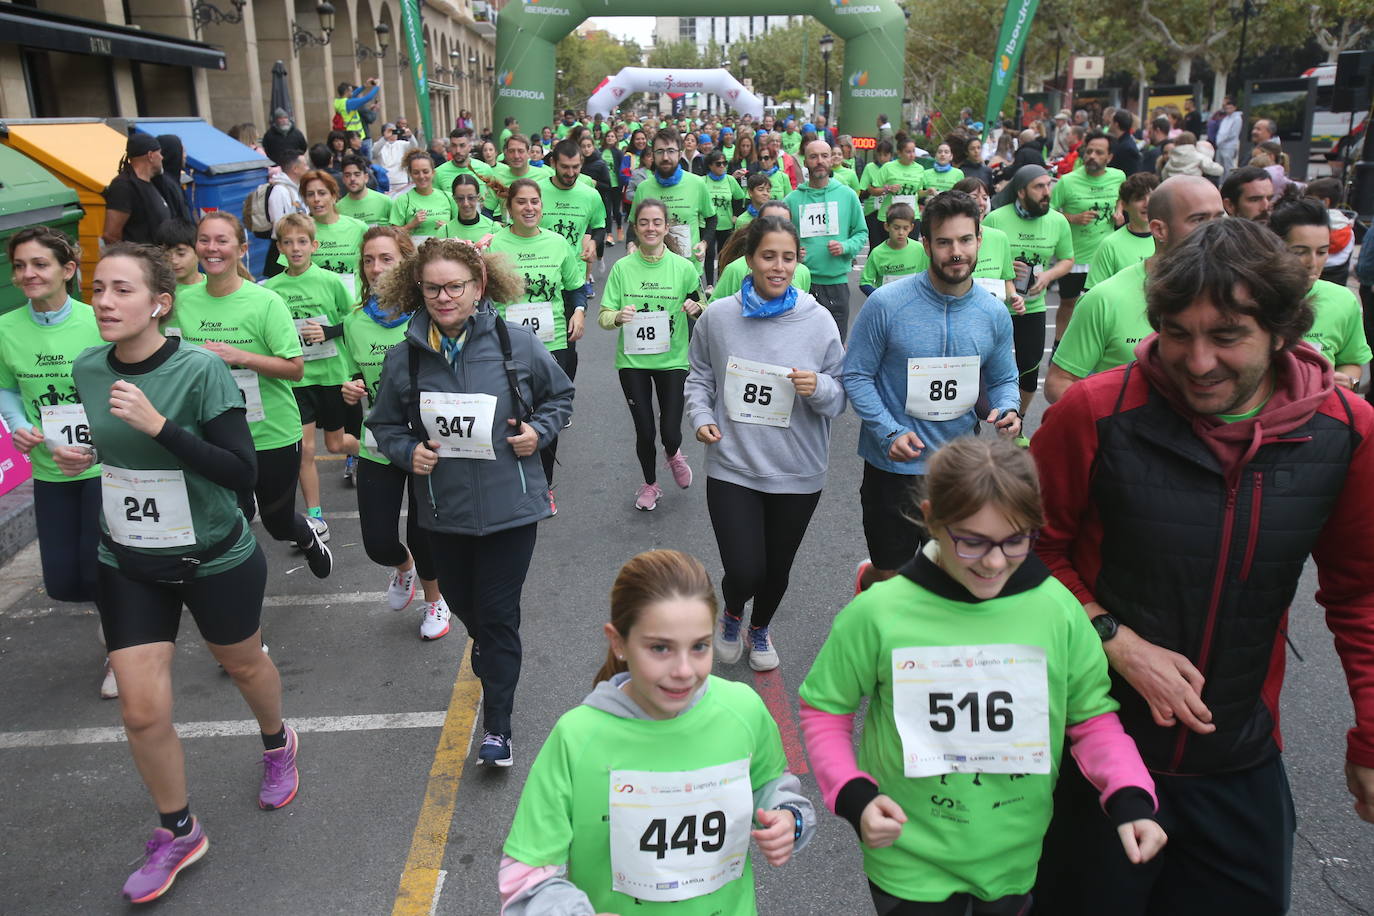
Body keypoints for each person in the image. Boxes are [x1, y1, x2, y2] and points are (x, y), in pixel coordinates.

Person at [1030, 217, 1374, 915]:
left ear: (1282, 331)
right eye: (1178, 333)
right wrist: (1114, 639)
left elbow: (1362, 594)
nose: (1196, 360)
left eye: (1226, 336)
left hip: (1239, 761)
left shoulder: (1347, 431)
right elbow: (1025, 555)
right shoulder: (1096, 411)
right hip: (1095, 753)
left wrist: (1371, 732)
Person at [800, 435, 1165, 915]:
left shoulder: (1058, 610)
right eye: (971, 542)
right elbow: (825, 709)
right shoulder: (879, 613)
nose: (994, 562)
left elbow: (1091, 718)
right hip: (908, 853)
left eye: (1016, 540)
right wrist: (854, 794)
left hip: (1013, 852)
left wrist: (1131, 795)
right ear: (932, 519)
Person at [63, 243, 297, 903]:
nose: (104, 301)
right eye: (98, 288)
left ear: (159, 303)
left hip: (212, 554)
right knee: (140, 711)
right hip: (128, 558)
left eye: (120, 290)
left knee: (246, 665)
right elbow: (112, 447)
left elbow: (240, 473)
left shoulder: (200, 373)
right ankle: (179, 828)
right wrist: (80, 455)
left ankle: (278, 742)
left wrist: (162, 426)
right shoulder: (87, 368)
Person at [499, 549, 815, 913]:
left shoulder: (743, 710)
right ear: (618, 642)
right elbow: (524, 877)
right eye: (660, 648)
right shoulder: (577, 738)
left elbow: (771, 784)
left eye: (699, 647)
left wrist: (788, 817)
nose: (683, 670)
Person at [366, 237, 574, 766]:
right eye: (433, 288)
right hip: (444, 514)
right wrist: (406, 450)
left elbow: (560, 395)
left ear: (479, 287)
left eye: (455, 286)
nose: (444, 297)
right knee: (470, 611)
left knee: (499, 618)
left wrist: (538, 432)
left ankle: (498, 729)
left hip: (511, 509)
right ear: (418, 289)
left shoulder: (515, 345)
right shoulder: (404, 359)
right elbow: (383, 424)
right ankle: (494, 657)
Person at [686, 214, 845, 671]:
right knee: (744, 568)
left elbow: (840, 395)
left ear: (799, 261)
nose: (778, 266)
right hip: (733, 463)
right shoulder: (719, 317)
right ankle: (733, 612)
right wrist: (699, 416)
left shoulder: (818, 322)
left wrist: (821, 389)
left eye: (788, 258)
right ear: (750, 259)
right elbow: (700, 376)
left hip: (798, 468)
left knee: (777, 568)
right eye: (768, 256)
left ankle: (760, 628)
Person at [844, 191, 1022, 593]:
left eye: (965, 240)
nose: (956, 252)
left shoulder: (993, 312)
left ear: (979, 240)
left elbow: (1003, 378)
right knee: (892, 578)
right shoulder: (887, 304)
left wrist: (1009, 407)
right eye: (944, 242)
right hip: (893, 470)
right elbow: (855, 375)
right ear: (926, 244)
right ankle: (869, 577)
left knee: (949, 580)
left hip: (958, 470)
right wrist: (888, 431)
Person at [172, 213, 332, 578]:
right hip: (215, 434)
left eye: (222, 241)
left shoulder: (266, 302)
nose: (212, 249)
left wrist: (239, 356)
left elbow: (295, 368)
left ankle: (305, 534)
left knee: (276, 522)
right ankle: (241, 594)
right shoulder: (182, 303)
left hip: (271, 431)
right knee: (234, 518)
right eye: (205, 240)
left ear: (242, 249)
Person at [1, 228, 113, 697]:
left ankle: (121, 649)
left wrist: (101, 443)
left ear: (68, 270)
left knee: (101, 569)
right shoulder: (6, 328)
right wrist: (16, 423)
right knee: (64, 581)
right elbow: (7, 386)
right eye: (20, 265)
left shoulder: (99, 322)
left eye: (40, 264)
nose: (29, 274)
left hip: (104, 469)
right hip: (49, 469)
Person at [340, 226, 451, 637]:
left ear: (406, 262)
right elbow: (352, 372)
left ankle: (435, 602)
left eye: (386, 258)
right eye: (369, 259)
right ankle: (402, 569)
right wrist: (349, 386)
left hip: (429, 443)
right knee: (377, 542)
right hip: (378, 442)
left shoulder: (431, 316)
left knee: (424, 534)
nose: (375, 267)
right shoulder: (354, 322)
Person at [1046, 175, 1225, 403]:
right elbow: (1058, 383)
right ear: (1159, 230)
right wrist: (1114, 424)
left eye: (1219, 218)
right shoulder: (1105, 299)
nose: (1215, 229)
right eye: (1199, 219)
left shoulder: (1238, 294)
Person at [488, 178, 586, 510]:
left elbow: (574, 287)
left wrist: (580, 312)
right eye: (522, 202)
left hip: (554, 341)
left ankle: (544, 483)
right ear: (510, 207)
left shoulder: (558, 244)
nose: (529, 208)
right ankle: (512, 479)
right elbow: (481, 293)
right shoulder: (494, 244)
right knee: (512, 411)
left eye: (535, 202)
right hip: (507, 344)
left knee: (545, 414)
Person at [600, 198, 704, 512]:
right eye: (644, 222)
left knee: (670, 431)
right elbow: (604, 317)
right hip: (633, 361)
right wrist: (619, 316)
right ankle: (650, 484)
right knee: (644, 429)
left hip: (672, 360)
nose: (650, 228)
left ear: (666, 226)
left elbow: (704, 307)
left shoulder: (684, 267)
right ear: (636, 226)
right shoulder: (622, 267)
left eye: (657, 222)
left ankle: (673, 453)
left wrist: (696, 307)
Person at [263, 212, 360, 533]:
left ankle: (371, 450)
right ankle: (316, 517)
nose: (295, 248)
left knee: (334, 445)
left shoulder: (330, 281)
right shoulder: (272, 288)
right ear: (279, 247)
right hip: (297, 378)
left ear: (314, 245)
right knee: (305, 449)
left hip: (332, 375)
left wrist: (328, 332)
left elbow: (353, 322)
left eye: (302, 242)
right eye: (288, 242)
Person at [984, 166, 1075, 416]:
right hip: (995, 305)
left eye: (1048, 185)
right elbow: (980, 260)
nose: (1047, 192)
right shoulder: (996, 219)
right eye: (1039, 187)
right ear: (1021, 191)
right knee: (984, 367)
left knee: (1029, 369)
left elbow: (1068, 259)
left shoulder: (1057, 221)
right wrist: (1003, 267)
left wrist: (1047, 275)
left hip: (1033, 306)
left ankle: (1018, 419)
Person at [1269, 197, 1371, 390]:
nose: (1312, 263)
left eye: (1322, 252)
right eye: (1299, 252)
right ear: (1274, 247)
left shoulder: (1343, 300)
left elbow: (1351, 363)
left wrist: (1348, 382)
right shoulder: (1252, 298)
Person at [784, 140, 867, 343]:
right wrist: (793, 253)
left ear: (831, 159)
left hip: (836, 283)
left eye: (824, 156)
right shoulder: (792, 200)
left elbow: (861, 233)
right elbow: (781, 239)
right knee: (802, 345)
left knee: (835, 345)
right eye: (813, 156)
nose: (819, 161)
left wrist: (846, 247)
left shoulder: (847, 195)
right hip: (802, 283)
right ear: (805, 161)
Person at [1049, 131, 1126, 343]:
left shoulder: (1118, 176)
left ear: (1109, 157)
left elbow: (1122, 198)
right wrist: (1072, 218)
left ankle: (1100, 346)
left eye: (1099, 152)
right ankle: (1058, 345)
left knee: (1104, 305)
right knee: (1068, 303)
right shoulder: (1068, 181)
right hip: (1074, 256)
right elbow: (1049, 212)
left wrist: (1119, 212)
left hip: (1105, 256)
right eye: (1089, 151)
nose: (1092, 155)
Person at [627, 129, 715, 274]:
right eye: (660, 151)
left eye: (671, 151)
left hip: (689, 269)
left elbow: (711, 218)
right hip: (652, 270)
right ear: (653, 155)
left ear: (680, 153)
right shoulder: (643, 188)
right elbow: (632, 223)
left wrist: (704, 243)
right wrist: (631, 244)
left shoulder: (697, 184)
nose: (665, 157)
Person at [711, 199, 814, 302]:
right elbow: (715, 311)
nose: (777, 228)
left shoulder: (803, 272)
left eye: (784, 223)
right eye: (768, 257)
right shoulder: (735, 270)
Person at [1085, 172, 1159, 290]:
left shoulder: (1171, 239)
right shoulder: (1110, 245)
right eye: (1139, 198)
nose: (1147, 203)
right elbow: (1093, 293)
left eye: (1152, 197)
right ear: (1124, 205)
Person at [102, 134, 171, 246]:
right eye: (159, 153)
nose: (162, 157)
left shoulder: (149, 183)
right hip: (139, 260)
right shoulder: (124, 186)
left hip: (156, 259)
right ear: (151, 155)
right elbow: (110, 235)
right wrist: (130, 259)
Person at [389, 150, 456, 241]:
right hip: (415, 252)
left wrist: (448, 228)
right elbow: (393, 235)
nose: (421, 176)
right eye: (416, 173)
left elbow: (461, 228)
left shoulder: (448, 197)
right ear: (410, 174)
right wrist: (411, 225)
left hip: (444, 252)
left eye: (425, 171)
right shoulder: (403, 200)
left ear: (433, 172)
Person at [262, 152, 310, 278]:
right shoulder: (279, 191)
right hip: (281, 252)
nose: (308, 168)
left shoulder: (296, 189)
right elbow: (278, 225)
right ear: (295, 169)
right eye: (305, 165)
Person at [859, 202, 924, 293]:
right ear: (887, 226)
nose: (901, 232)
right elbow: (865, 282)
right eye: (896, 228)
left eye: (905, 228)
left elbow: (927, 276)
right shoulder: (877, 253)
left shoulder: (919, 249)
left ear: (911, 227)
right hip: (887, 305)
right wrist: (878, 298)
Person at [702, 151, 744, 287]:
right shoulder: (703, 181)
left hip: (726, 224)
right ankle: (709, 284)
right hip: (707, 224)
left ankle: (720, 283)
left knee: (724, 255)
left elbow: (739, 197)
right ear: (710, 166)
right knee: (709, 255)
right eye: (718, 164)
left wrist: (735, 215)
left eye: (724, 163)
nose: (722, 166)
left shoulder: (730, 180)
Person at [876, 136, 926, 238]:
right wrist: (888, 189)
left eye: (913, 151)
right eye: (908, 152)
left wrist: (927, 192)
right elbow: (873, 190)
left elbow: (918, 192)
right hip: (889, 215)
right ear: (899, 153)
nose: (912, 155)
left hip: (912, 215)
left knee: (910, 250)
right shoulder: (888, 167)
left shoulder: (919, 168)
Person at [336, 152, 393, 227]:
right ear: (343, 179)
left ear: (366, 177)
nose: (352, 179)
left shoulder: (385, 202)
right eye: (347, 175)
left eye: (357, 174)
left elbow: (397, 232)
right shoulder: (338, 208)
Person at [442, 174, 499, 245]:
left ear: (478, 197)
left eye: (471, 198)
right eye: (460, 198)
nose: (466, 203)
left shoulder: (494, 228)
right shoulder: (445, 231)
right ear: (454, 199)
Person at [860, 139, 895, 249]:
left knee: (890, 245)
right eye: (879, 155)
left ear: (891, 155)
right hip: (872, 211)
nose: (882, 158)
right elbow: (862, 192)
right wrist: (871, 190)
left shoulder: (895, 168)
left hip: (891, 211)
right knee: (875, 246)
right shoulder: (870, 167)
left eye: (885, 155)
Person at [153, 219, 204, 295]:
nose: (174, 261)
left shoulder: (214, 286)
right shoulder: (158, 291)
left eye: (181, 254)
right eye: (166, 255)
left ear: (198, 252)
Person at [373, 122, 421, 195]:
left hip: (401, 181)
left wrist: (410, 136)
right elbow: (374, 153)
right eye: (390, 131)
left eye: (395, 131)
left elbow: (414, 147)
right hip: (385, 181)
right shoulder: (379, 144)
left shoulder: (402, 144)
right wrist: (385, 138)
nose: (393, 133)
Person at [333, 79, 380, 145]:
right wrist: (377, 86)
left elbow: (353, 94)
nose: (352, 92)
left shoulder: (338, 102)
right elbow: (368, 98)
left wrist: (364, 86)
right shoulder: (349, 103)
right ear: (346, 91)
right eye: (351, 90)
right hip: (354, 136)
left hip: (347, 133)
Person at [1215, 96, 1244, 174]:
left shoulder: (1237, 118)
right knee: (1220, 167)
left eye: (1230, 108)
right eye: (1227, 108)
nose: (1228, 110)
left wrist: (1223, 140)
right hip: (1220, 145)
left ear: (1235, 108)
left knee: (1228, 166)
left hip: (1229, 146)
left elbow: (1233, 133)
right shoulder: (1225, 118)